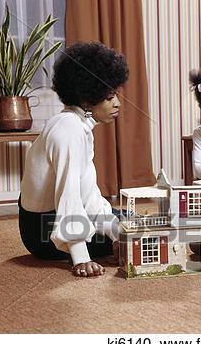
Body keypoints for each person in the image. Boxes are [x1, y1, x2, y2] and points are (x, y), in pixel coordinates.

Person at [19, 41, 129, 278]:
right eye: (110, 98)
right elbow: (68, 195)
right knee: (142, 229)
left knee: (130, 223)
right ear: (88, 100)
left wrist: (118, 233)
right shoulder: (69, 129)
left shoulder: (78, 125)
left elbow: (88, 195)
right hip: (43, 230)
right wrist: (81, 256)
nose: (118, 103)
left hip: (49, 217)